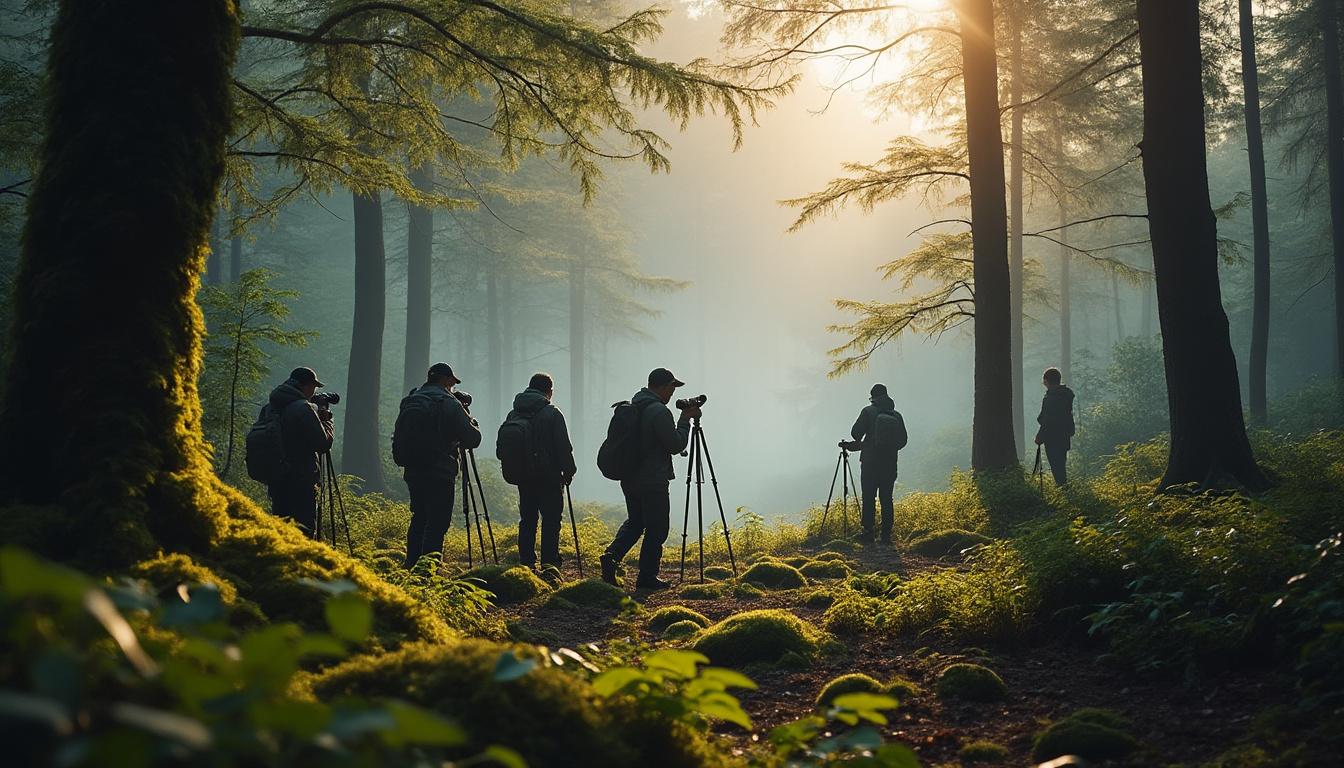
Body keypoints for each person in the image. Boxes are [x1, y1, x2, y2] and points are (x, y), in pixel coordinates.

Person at [599, 367, 699, 590]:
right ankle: (647, 577)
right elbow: (675, 445)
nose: (673, 393)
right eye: (672, 387)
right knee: (657, 528)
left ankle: (611, 556)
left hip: (630, 476)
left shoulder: (635, 405)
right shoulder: (659, 412)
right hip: (652, 479)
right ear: (662, 387)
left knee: (636, 522)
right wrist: (685, 421)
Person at [399, 362, 481, 567]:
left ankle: (411, 564)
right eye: (452, 383)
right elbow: (472, 439)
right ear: (445, 380)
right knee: (437, 521)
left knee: (419, 516)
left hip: (413, 468)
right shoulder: (449, 402)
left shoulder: (411, 400)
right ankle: (428, 570)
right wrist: (470, 421)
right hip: (440, 470)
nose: (452, 387)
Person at [504, 372, 578, 571]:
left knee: (527, 519)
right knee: (551, 520)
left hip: (523, 476)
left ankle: (526, 562)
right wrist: (569, 471)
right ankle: (549, 564)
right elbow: (563, 446)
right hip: (549, 476)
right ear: (549, 391)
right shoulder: (552, 413)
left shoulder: (515, 413)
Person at [265, 367, 335, 533]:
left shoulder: (271, 407)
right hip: (301, 481)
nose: (313, 391)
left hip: (277, 479)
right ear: (306, 385)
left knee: (281, 530)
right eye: (314, 387)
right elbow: (323, 444)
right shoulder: (303, 408)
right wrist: (326, 420)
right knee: (304, 530)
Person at [844, 383, 907, 544]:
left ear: (873, 397)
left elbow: (856, 433)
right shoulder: (897, 415)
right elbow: (903, 441)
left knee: (869, 496)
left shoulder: (868, 412)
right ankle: (886, 534)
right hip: (890, 464)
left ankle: (868, 532)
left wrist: (868, 444)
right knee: (886, 498)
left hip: (870, 463)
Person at [1034, 367, 1076, 486]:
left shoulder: (1051, 398)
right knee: (1061, 463)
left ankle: (1062, 488)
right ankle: (1063, 487)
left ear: (1046, 381)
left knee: (1056, 465)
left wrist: (1039, 436)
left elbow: (1047, 420)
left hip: (1052, 437)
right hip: (1064, 435)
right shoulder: (1065, 395)